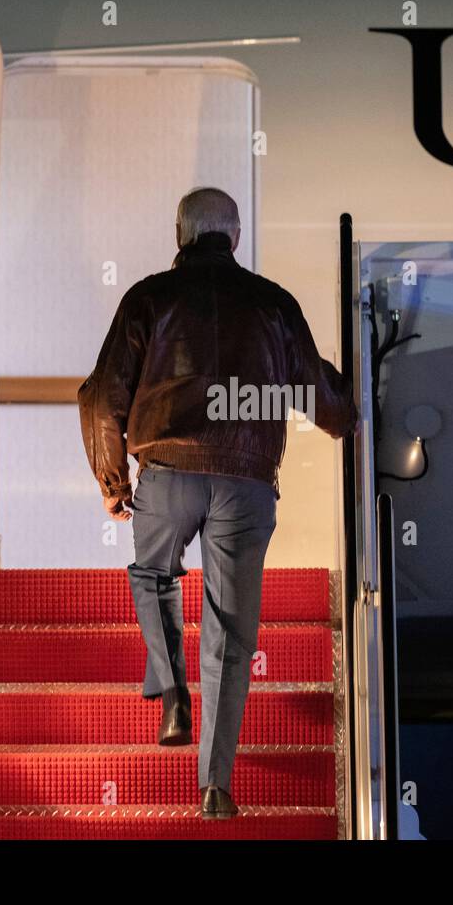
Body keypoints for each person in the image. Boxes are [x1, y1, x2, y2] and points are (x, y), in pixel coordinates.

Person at [78, 187, 357, 819]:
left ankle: (172, 688)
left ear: (180, 234)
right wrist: (353, 405)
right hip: (246, 481)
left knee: (152, 575)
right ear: (234, 237)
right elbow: (319, 396)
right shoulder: (271, 303)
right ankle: (216, 784)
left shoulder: (147, 297)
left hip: (166, 472)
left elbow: (101, 398)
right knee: (230, 632)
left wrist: (115, 484)